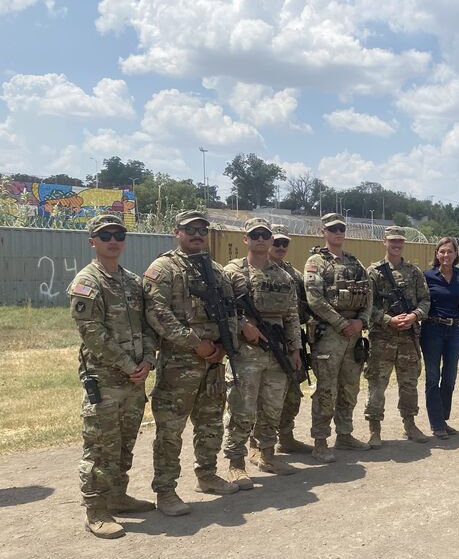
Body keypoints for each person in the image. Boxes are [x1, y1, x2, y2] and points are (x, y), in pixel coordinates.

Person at [144, 210, 240, 517]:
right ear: (177, 233)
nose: (197, 234)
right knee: (171, 429)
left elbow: (231, 312)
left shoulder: (217, 271)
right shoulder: (163, 268)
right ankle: (165, 490)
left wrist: (225, 345)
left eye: (202, 229)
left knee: (210, 422)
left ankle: (207, 475)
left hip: (214, 362)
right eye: (190, 230)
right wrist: (194, 343)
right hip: (179, 363)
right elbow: (157, 313)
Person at [68, 214, 158, 538]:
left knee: (123, 444)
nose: (113, 240)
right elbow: (92, 333)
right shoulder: (87, 282)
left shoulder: (132, 282)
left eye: (118, 234)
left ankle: (118, 497)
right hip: (105, 379)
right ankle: (96, 510)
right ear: (92, 241)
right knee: (99, 446)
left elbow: (148, 326)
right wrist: (126, 363)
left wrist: (148, 360)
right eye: (105, 235)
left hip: (134, 379)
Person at [221, 218, 302, 489]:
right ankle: (236, 463)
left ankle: (267, 455)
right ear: (246, 239)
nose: (260, 239)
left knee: (272, 407)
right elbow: (220, 311)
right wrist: (243, 325)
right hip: (246, 352)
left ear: (270, 240)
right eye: (254, 235)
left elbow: (292, 316)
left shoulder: (283, 276)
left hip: (276, 351)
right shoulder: (231, 272)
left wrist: (295, 350)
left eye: (264, 235)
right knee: (242, 408)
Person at [304, 213, 373, 462]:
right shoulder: (316, 262)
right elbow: (315, 299)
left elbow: (369, 296)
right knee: (326, 390)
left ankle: (344, 435)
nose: (338, 233)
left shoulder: (355, 264)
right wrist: (343, 323)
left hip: (354, 334)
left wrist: (361, 321)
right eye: (333, 229)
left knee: (349, 388)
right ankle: (320, 441)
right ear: (324, 232)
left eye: (341, 228)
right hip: (330, 335)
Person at [364, 226, 431, 446]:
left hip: (408, 338)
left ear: (404, 244)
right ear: (384, 242)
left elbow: (425, 300)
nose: (396, 244)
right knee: (377, 385)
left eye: (400, 241)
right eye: (392, 241)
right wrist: (388, 320)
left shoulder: (414, 272)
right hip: (382, 338)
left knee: (409, 384)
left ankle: (410, 424)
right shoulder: (373, 271)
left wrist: (414, 316)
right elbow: (366, 306)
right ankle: (375, 430)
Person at [264, 223, 312, 455]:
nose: (281, 247)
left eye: (285, 243)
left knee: (293, 394)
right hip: (263, 344)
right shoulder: (254, 270)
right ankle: (260, 445)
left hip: (291, 341)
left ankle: (286, 437)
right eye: (276, 242)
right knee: (263, 397)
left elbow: (305, 309)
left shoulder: (294, 275)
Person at [421, 238, 459, 439]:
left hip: (454, 330)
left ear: (456, 254)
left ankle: (443, 419)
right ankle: (437, 423)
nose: (446, 255)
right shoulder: (427, 276)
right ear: (436, 254)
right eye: (442, 252)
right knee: (432, 378)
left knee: (449, 378)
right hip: (432, 329)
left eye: (450, 251)